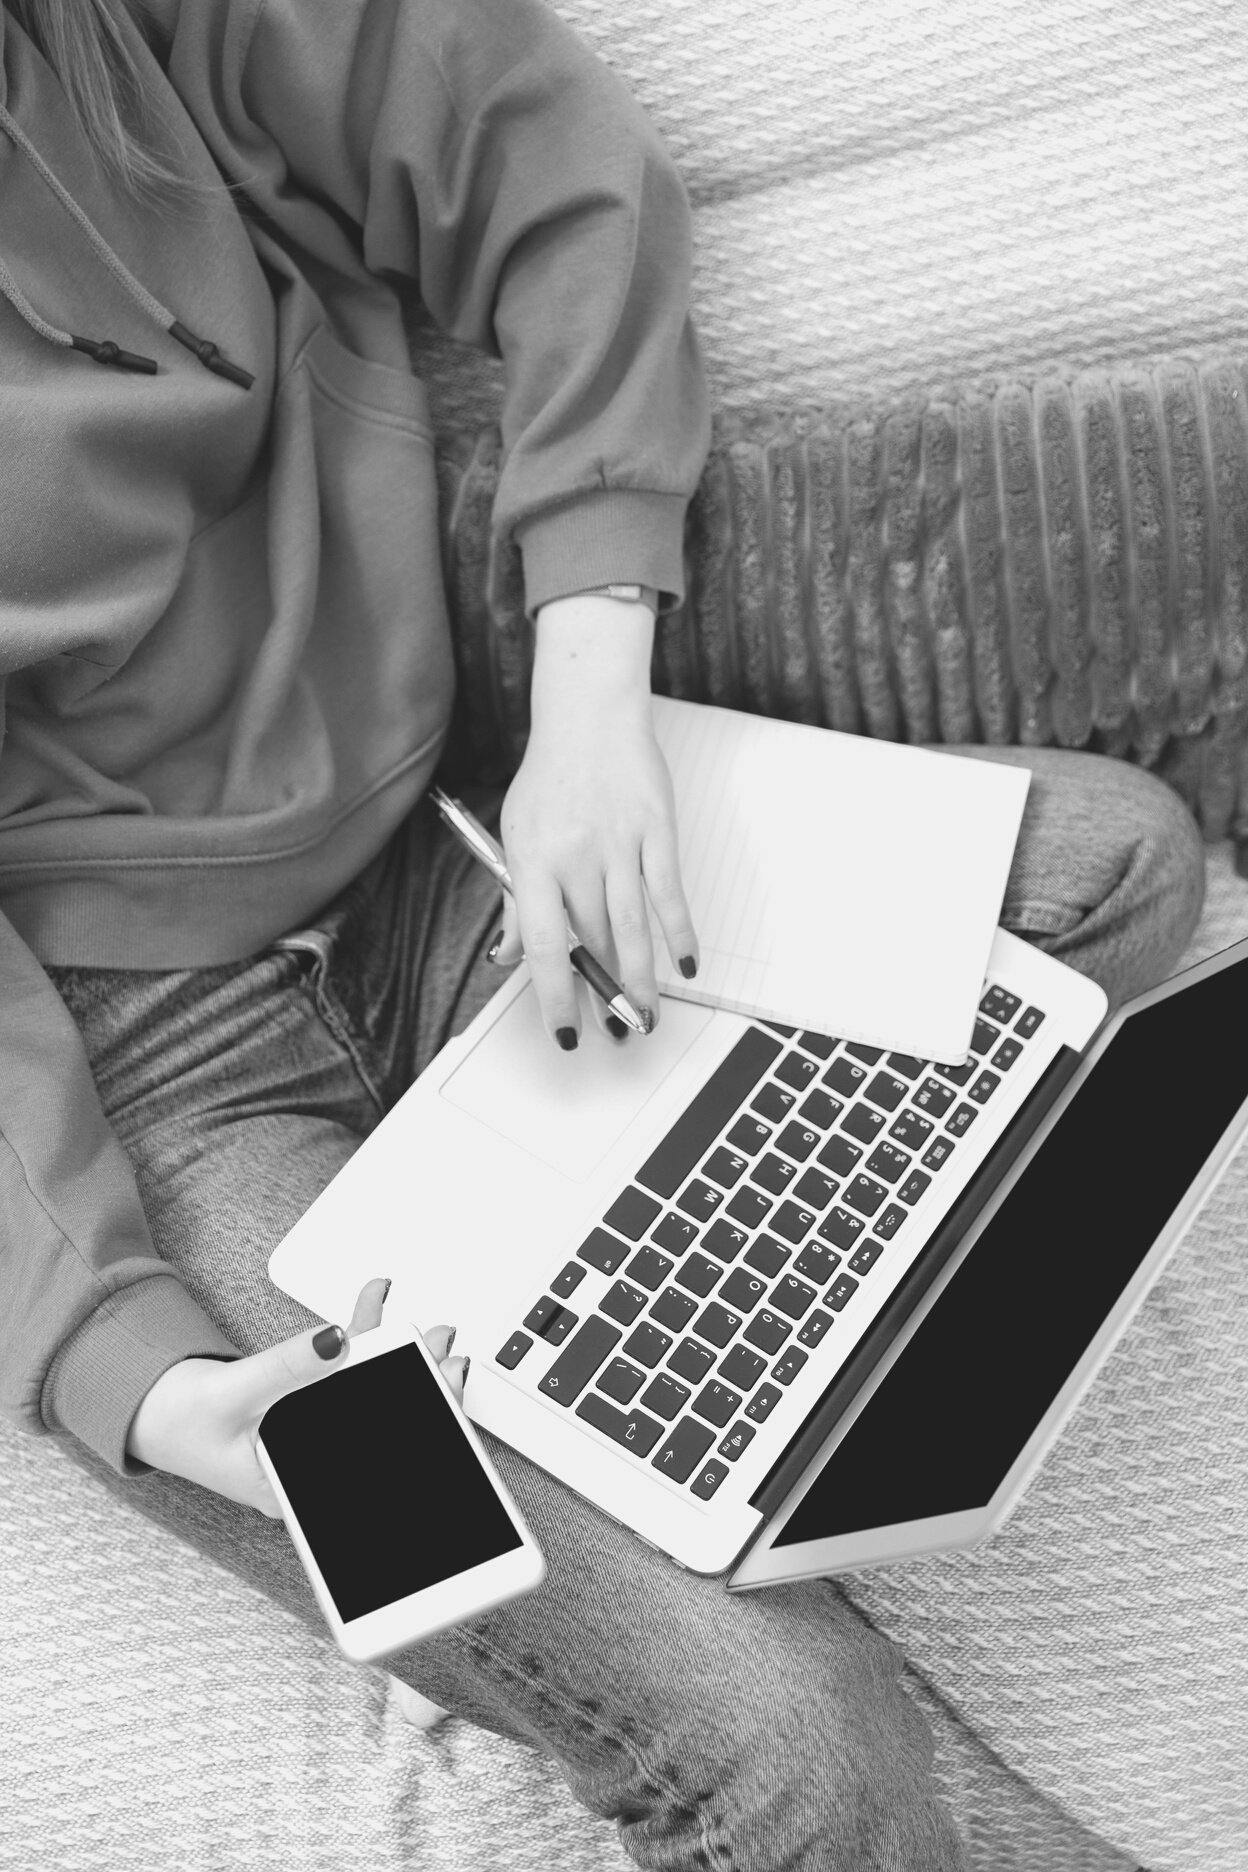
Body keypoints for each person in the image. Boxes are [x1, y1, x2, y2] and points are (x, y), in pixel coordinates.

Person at [0, 2, 1206, 1867]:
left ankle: (686, 1425)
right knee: (787, 1750)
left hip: (451, 860)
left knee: (1105, 869)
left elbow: (546, 168)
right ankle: (655, 1513)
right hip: (157, 1091)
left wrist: (590, 710)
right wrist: (153, 1390)